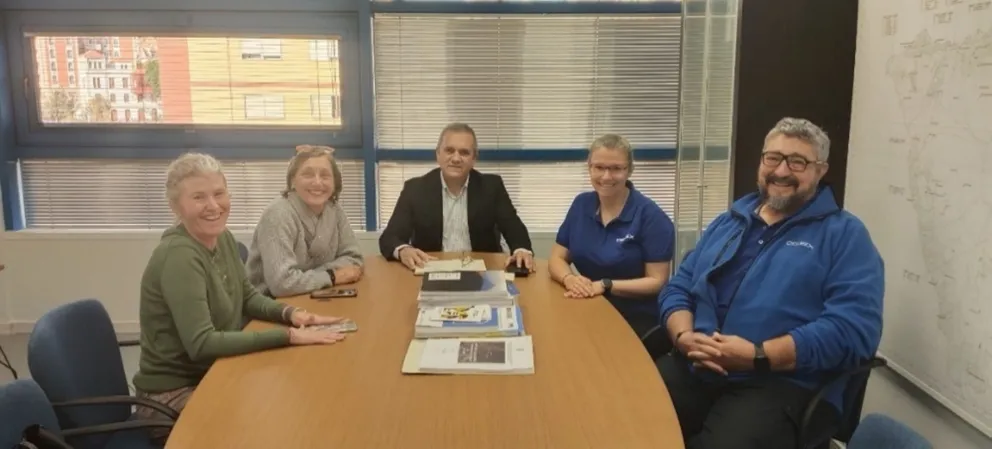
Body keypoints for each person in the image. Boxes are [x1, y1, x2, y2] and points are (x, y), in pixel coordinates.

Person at [655, 117, 884, 449]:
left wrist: (758, 355)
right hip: (695, 362)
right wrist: (683, 336)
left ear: (820, 170)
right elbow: (679, 287)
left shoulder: (846, 236)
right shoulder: (729, 220)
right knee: (626, 416)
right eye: (773, 158)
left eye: (798, 161)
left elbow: (854, 330)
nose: (781, 170)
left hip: (779, 381)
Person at [132, 152, 348, 437]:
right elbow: (202, 343)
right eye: (198, 197)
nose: (213, 206)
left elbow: (247, 296)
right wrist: (289, 336)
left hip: (214, 371)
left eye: (219, 194)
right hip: (171, 396)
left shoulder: (222, 238)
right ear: (176, 206)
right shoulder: (178, 257)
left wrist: (292, 315)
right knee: (267, 429)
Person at [548, 134, 676, 352]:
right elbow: (557, 257)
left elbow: (657, 281)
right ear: (589, 168)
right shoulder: (581, 204)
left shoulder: (652, 218)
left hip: (635, 319)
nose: (606, 176)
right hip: (588, 305)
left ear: (629, 170)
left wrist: (606, 285)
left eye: (616, 168)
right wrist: (569, 279)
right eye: (599, 167)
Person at [378, 123, 534, 271]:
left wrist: (521, 250)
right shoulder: (415, 189)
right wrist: (404, 250)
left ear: (474, 159)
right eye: (449, 150)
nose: (456, 158)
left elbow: (515, 230)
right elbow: (390, 237)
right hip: (430, 270)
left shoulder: (492, 187)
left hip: (483, 273)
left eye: (464, 152)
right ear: (438, 154)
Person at [247, 145, 364, 297]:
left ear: (335, 182)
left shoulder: (334, 211)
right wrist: (332, 276)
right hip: (270, 305)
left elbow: (354, 259)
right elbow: (282, 284)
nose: (317, 182)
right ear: (292, 180)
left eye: (325, 175)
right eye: (308, 175)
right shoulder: (278, 215)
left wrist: (305, 279)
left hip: (313, 295)